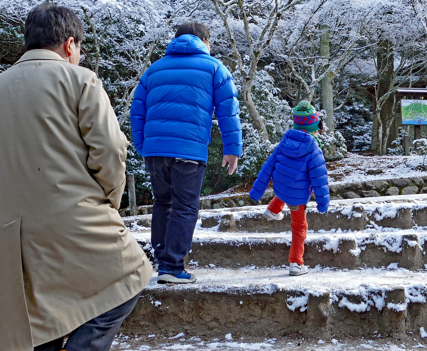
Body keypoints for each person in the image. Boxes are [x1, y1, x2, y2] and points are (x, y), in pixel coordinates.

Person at [0, 4, 152, 351]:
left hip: (11, 239)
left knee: (28, 346)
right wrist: (108, 202)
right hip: (76, 222)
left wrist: (3, 209)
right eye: (79, 48)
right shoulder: (80, 80)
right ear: (70, 45)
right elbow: (109, 151)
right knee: (134, 271)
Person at [130, 22, 242, 284]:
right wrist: (232, 148)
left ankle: (162, 261)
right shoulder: (214, 68)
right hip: (189, 152)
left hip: (155, 153)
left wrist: (144, 147)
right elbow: (228, 110)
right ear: (204, 40)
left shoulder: (153, 70)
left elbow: (137, 112)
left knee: (163, 203)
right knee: (184, 206)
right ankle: (172, 266)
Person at [248, 101, 330, 276]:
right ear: (315, 127)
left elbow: (267, 167)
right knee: (299, 228)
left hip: (280, 186)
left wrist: (256, 192)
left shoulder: (284, 143)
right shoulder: (314, 150)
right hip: (297, 196)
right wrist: (322, 203)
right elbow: (319, 180)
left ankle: (272, 209)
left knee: (287, 186)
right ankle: (296, 263)